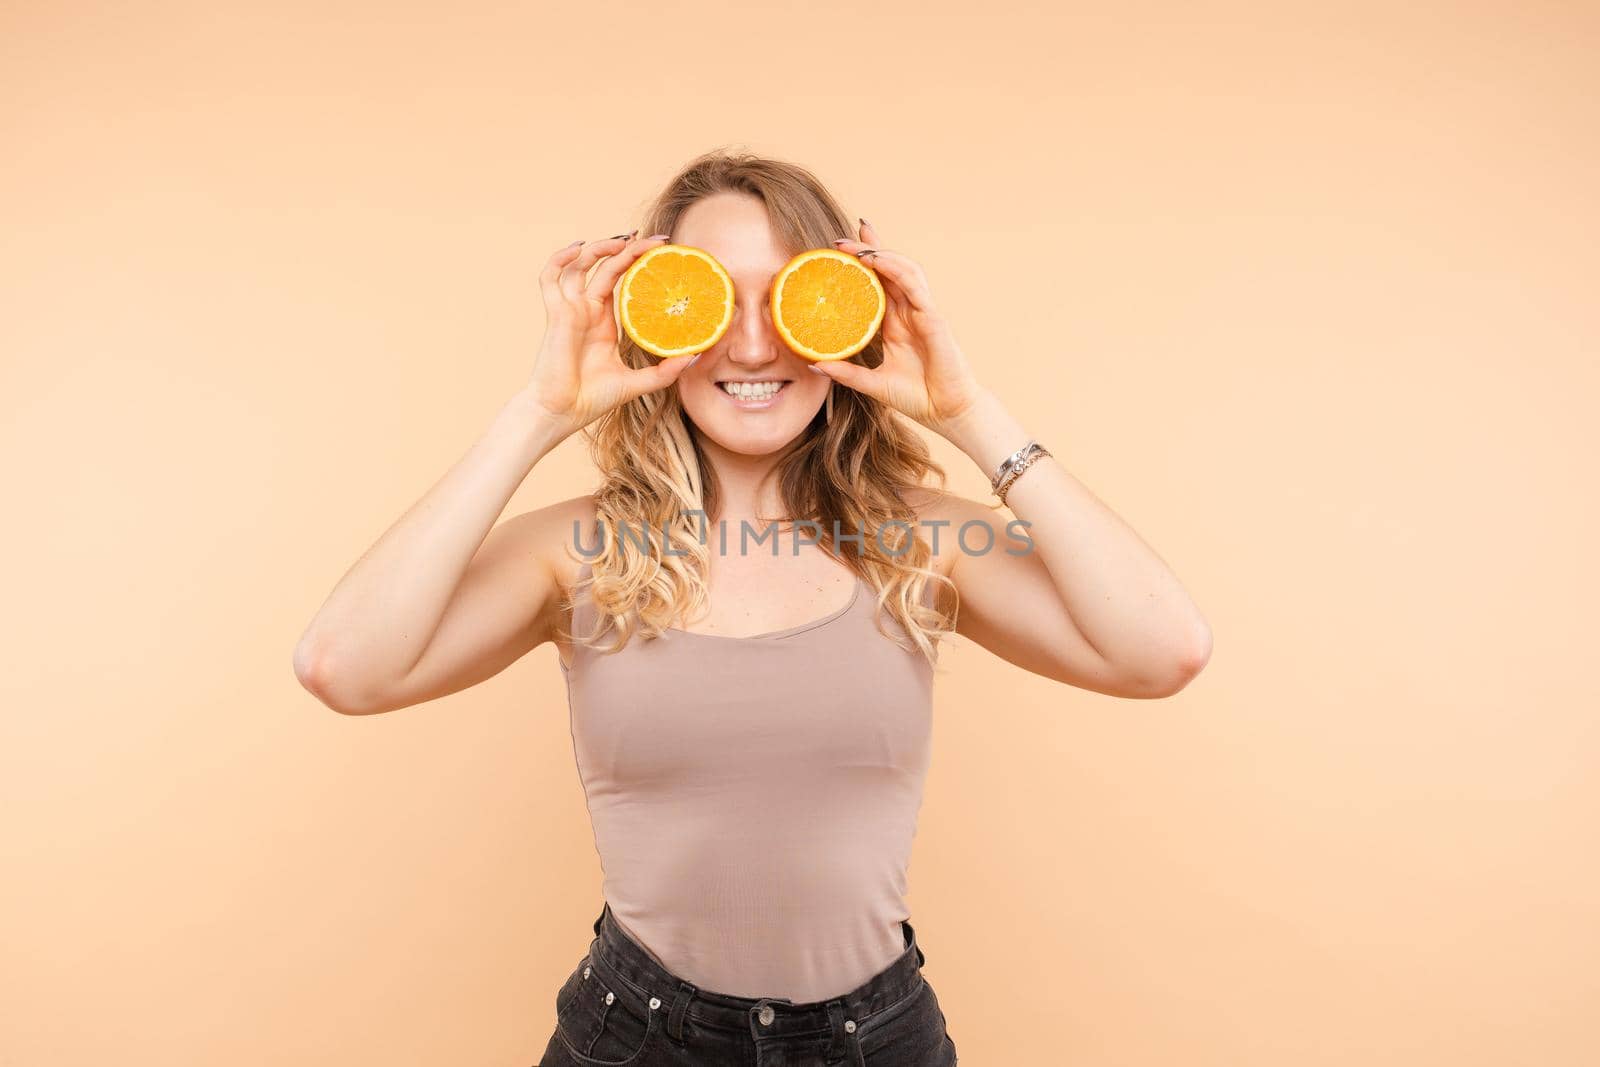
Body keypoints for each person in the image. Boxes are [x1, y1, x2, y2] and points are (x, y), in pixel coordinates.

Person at [292, 149, 1212, 1066]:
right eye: (712, 299)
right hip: (638, 1038)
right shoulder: (578, 554)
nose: (754, 344)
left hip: (877, 1044)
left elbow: (1162, 648)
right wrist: (541, 410)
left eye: (790, 297)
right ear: (654, 317)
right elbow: (344, 666)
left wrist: (967, 410)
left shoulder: (923, 541)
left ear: (845, 314)